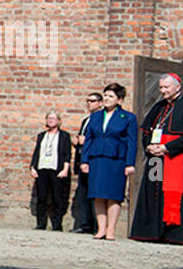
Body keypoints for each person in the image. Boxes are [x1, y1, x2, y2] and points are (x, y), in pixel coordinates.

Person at [131, 73, 183, 245]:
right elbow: (147, 131)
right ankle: (152, 232)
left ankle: (172, 234)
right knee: (153, 191)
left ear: (177, 87)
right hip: (156, 159)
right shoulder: (159, 107)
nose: (163, 91)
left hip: (174, 157)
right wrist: (149, 146)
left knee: (172, 193)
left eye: (166, 87)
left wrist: (167, 148)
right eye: (161, 87)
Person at [79, 82, 138, 241]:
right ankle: (101, 229)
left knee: (113, 195)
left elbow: (132, 142)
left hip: (116, 160)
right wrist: (85, 160)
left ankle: (111, 230)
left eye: (110, 96)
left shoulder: (128, 118)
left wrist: (130, 163)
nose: (106, 98)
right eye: (105, 95)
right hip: (97, 158)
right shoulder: (95, 116)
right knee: (98, 194)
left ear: (119, 99)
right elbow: (89, 139)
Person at [29, 111, 72, 231]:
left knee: (57, 198)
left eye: (53, 118)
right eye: (48, 118)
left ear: (59, 121)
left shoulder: (64, 136)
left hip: (56, 169)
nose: (50, 120)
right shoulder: (42, 135)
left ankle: (57, 224)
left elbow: (67, 154)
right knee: (41, 197)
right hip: (42, 168)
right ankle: (41, 223)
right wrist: (33, 167)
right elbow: (37, 152)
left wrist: (65, 169)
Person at [70, 92, 102, 233]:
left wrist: (87, 141)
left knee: (94, 194)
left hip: (94, 162)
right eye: (87, 101)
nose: (89, 103)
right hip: (83, 160)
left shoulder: (101, 119)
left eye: (93, 101)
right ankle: (85, 224)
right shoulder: (86, 120)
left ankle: (97, 225)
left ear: (100, 103)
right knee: (83, 194)